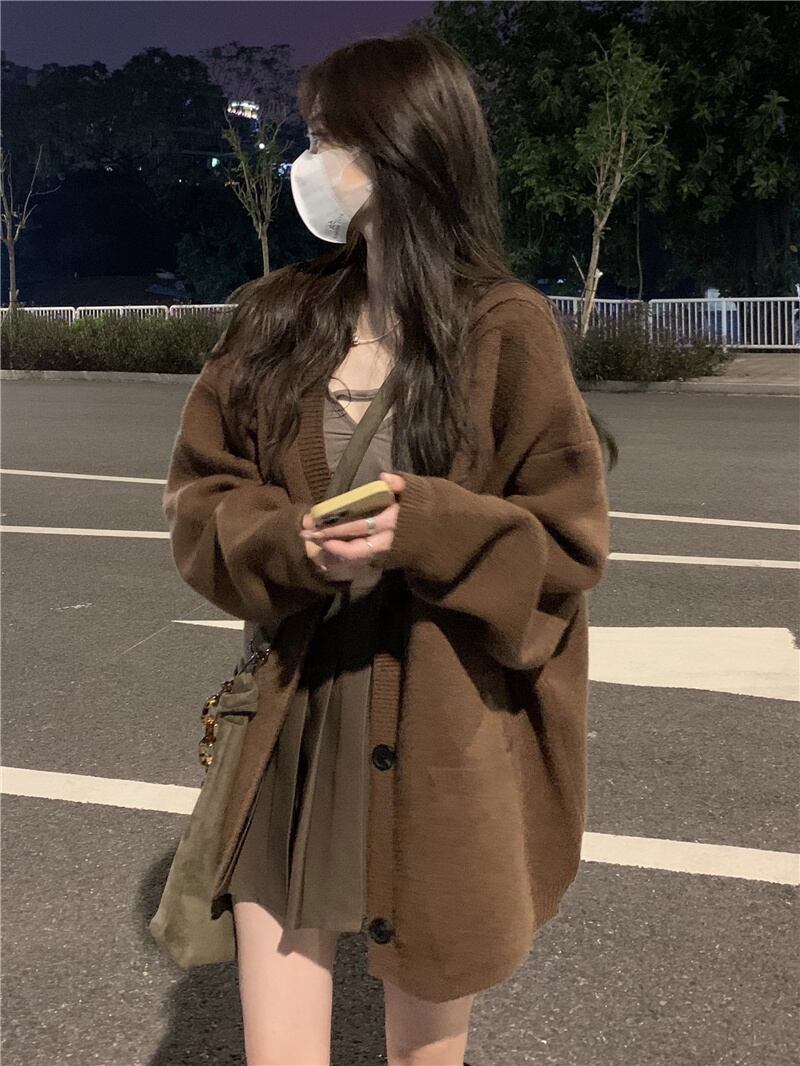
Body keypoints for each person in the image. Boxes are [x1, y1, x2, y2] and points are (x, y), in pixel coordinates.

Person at [162, 31, 617, 1066]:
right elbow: (199, 497)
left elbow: (566, 544)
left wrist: (432, 527)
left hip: (442, 736)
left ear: (398, 149)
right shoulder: (276, 318)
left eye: (326, 138)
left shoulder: (502, 327)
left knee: (423, 1051)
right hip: (294, 719)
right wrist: (289, 543)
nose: (308, 163)